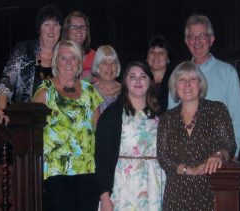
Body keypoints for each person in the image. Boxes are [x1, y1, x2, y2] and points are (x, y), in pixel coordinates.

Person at [33, 40, 103, 211]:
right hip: (57, 172)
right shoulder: (45, 92)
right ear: (56, 62)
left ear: (79, 62)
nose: (69, 62)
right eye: (63, 58)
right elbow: (31, 134)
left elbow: (98, 129)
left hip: (87, 170)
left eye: (73, 58)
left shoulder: (90, 90)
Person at [157, 61, 236, 210]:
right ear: (175, 86)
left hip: (210, 188)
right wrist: (189, 170)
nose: (187, 84)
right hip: (176, 193)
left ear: (200, 84)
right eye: (181, 80)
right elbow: (163, 158)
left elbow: (229, 146)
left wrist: (218, 155)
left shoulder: (216, 110)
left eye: (192, 79)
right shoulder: (166, 118)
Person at [168, 14, 240, 159]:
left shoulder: (228, 72)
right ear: (186, 41)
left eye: (202, 36)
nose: (197, 41)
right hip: (186, 159)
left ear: (211, 40)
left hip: (218, 158)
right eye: (192, 37)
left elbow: (239, 118)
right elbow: (170, 120)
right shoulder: (178, 75)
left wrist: (231, 153)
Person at [95, 61, 166, 211]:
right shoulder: (112, 115)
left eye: (143, 76)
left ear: (150, 82)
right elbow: (102, 159)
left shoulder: (160, 114)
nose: (138, 81)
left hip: (154, 187)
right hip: (123, 188)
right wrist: (105, 197)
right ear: (125, 82)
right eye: (132, 77)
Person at [0, 4, 62, 124]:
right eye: (47, 25)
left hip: (58, 123)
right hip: (26, 122)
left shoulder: (64, 54)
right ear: (39, 29)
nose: (52, 29)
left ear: (60, 29)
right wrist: (0, 107)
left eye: (56, 25)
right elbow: (7, 81)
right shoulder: (24, 49)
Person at [62, 11, 96, 82]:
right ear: (67, 32)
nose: (79, 30)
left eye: (82, 27)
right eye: (74, 27)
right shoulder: (58, 55)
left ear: (87, 32)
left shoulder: (96, 57)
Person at [146, 34, 173, 113]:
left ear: (168, 58)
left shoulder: (176, 79)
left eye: (161, 53)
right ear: (147, 58)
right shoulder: (139, 80)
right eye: (152, 52)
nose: (156, 56)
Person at [91, 45, 121, 113]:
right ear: (97, 66)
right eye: (105, 63)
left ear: (117, 66)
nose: (109, 67)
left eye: (113, 63)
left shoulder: (126, 91)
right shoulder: (90, 92)